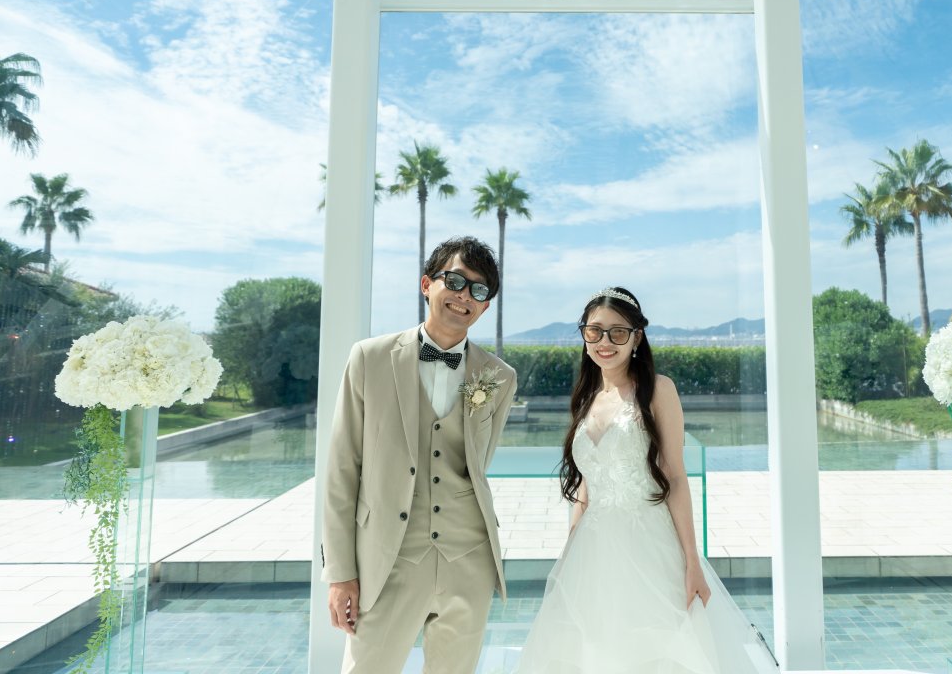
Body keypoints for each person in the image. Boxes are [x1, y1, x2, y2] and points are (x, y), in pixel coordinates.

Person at [514, 287, 777, 673]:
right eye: (594, 331)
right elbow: (585, 485)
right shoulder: (587, 396)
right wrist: (569, 551)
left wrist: (691, 559)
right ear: (584, 335)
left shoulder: (658, 390)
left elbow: (674, 475)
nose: (605, 342)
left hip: (650, 543)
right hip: (592, 548)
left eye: (617, 332)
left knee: (658, 651)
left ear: (637, 337)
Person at [321, 236, 518, 674]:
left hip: (468, 557)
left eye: (479, 290)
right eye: (455, 281)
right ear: (427, 284)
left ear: (485, 307)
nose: (465, 295)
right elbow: (340, 471)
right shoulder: (369, 359)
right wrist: (339, 573)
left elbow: (477, 464)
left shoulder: (499, 377)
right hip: (387, 559)